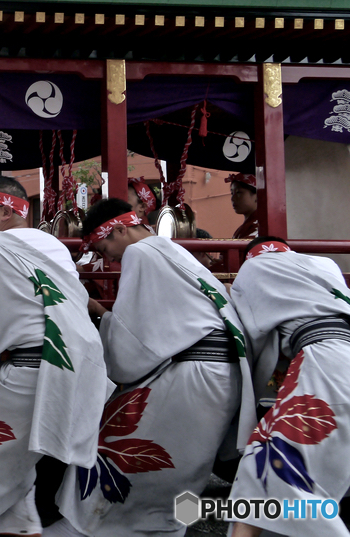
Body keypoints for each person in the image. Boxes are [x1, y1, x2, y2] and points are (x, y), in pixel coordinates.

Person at [47, 198, 254, 537]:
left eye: (105, 247)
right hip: (219, 371)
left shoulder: (141, 254)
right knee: (180, 472)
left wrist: (96, 311)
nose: (108, 258)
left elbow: (132, 345)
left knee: (118, 447)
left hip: (192, 374)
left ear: (120, 229)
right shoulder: (171, 251)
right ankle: (159, 528)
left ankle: (88, 526)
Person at [0, 177, 107, 537]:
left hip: (33, 362)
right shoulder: (54, 247)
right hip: (83, 362)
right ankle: (20, 515)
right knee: (21, 443)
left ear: (4, 210)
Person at [226, 237, 350, 537]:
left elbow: (253, 340)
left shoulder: (252, 271)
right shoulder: (325, 264)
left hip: (323, 361)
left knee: (268, 466)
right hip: (338, 348)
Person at [226, 173, 258, 239]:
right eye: (232, 193)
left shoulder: (260, 227)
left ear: (257, 196)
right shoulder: (248, 225)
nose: (233, 198)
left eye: (238, 192)